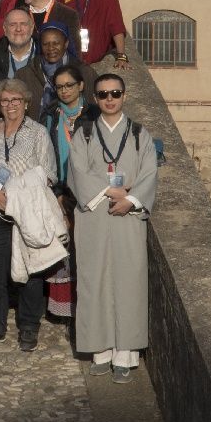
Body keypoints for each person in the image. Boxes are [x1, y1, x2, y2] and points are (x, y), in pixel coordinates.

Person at [67, 73, 158, 381]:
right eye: (103, 94)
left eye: (115, 93)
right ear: (95, 98)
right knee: (95, 279)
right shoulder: (86, 133)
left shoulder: (138, 133)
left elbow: (149, 172)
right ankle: (99, 350)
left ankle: (126, 353)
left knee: (129, 280)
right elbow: (76, 171)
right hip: (94, 215)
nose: (109, 99)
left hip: (127, 217)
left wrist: (131, 200)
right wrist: (111, 191)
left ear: (124, 95)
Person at [0, 78, 62, 351]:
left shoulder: (37, 133)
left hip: (26, 212)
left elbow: (48, 173)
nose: (11, 105)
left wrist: (18, 195)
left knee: (30, 270)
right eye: (6, 100)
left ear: (26, 103)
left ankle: (29, 327)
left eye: (16, 100)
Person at [41, 62, 91, 332]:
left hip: (89, 192)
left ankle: (86, 305)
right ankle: (63, 308)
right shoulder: (50, 115)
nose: (64, 91)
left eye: (69, 85)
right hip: (59, 191)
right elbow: (45, 153)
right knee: (63, 249)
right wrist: (57, 193)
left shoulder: (93, 114)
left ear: (81, 85)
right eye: (59, 87)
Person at [0, 6, 45, 103]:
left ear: (31, 28)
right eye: (12, 25)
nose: (18, 29)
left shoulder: (45, 53)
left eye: (23, 24)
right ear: (5, 30)